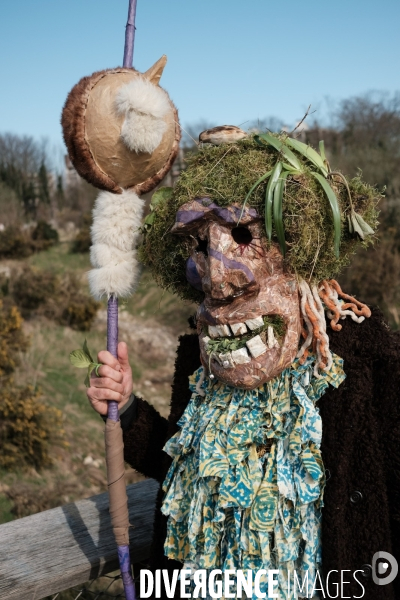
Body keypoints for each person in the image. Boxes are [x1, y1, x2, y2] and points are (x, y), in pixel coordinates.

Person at [87, 130, 400, 599]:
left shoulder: (368, 365)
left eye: (242, 236)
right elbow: (181, 463)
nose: (217, 278)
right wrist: (127, 408)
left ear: (303, 252)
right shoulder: (199, 362)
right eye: (198, 246)